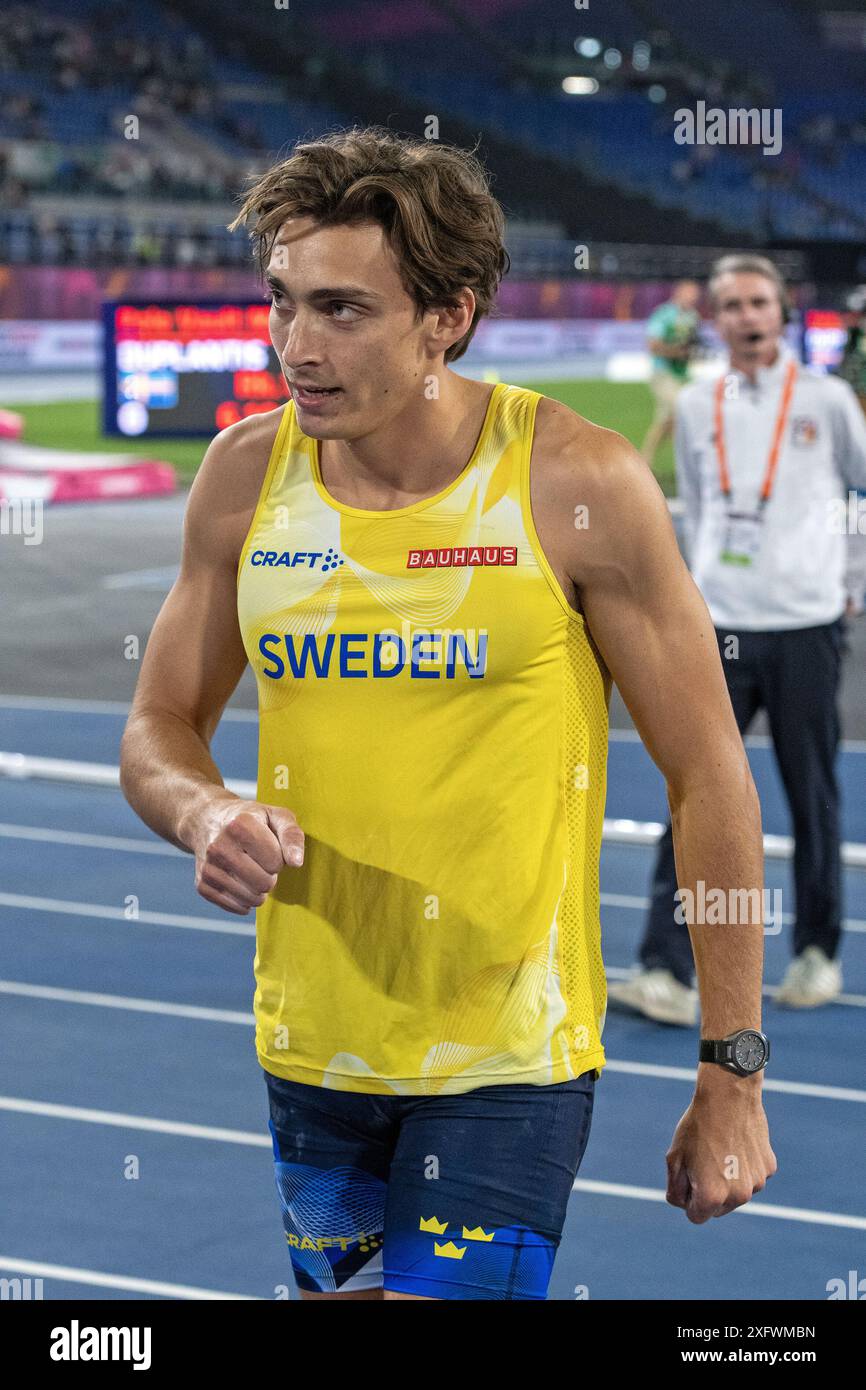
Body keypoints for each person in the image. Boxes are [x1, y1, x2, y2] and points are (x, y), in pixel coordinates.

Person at [119, 129, 775, 1302]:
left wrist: (731, 1069)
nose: (295, 348)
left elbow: (709, 773)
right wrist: (200, 808)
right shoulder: (242, 477)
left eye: (341, 311)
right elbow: (159, 723)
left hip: (507, 1052)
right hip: (313, 1039)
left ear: (446, 317)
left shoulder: (573, 482)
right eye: (281, 303)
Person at [611, 254, 866, 1027]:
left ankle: (818, 951)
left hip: (805, 624)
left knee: (810, 792)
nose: (747, 317)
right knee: (695, 792)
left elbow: (860, 492)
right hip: (718, 624)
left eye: (759, 303)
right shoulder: (695, 404)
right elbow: (696, 499)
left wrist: (851, 578)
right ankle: (665, 968)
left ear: (781, 312)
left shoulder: (827, 399)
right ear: (714, 322)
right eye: (732, 306)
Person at [640, 279, 701, 469]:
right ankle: (686, 462)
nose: (693, 298)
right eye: (689, 293)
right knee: (680, 410)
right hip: (663, 372)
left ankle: (644, 461)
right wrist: (676, 351)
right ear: (679, 292)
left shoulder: (693, 316)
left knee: (667, 420)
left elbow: (692, 344)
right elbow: (653, 345)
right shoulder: (664, 314)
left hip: (682, 374)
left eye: (695, 295)